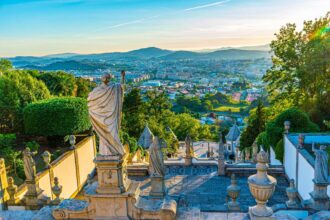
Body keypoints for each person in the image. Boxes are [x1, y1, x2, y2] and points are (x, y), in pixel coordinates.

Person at [88, 71, 126, 156]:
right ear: (102, 78)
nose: (105, 78)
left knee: (113, 134)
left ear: (109, 79)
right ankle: (106, 152)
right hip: (101, 117)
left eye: (107, 77)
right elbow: (90, 101)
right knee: (103, 136)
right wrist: (95, 112)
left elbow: (122, 87)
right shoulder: (97, 90)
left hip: (111, 117)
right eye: (104, 77)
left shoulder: (114, 87)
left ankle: (116, 150)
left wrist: (123, 77)